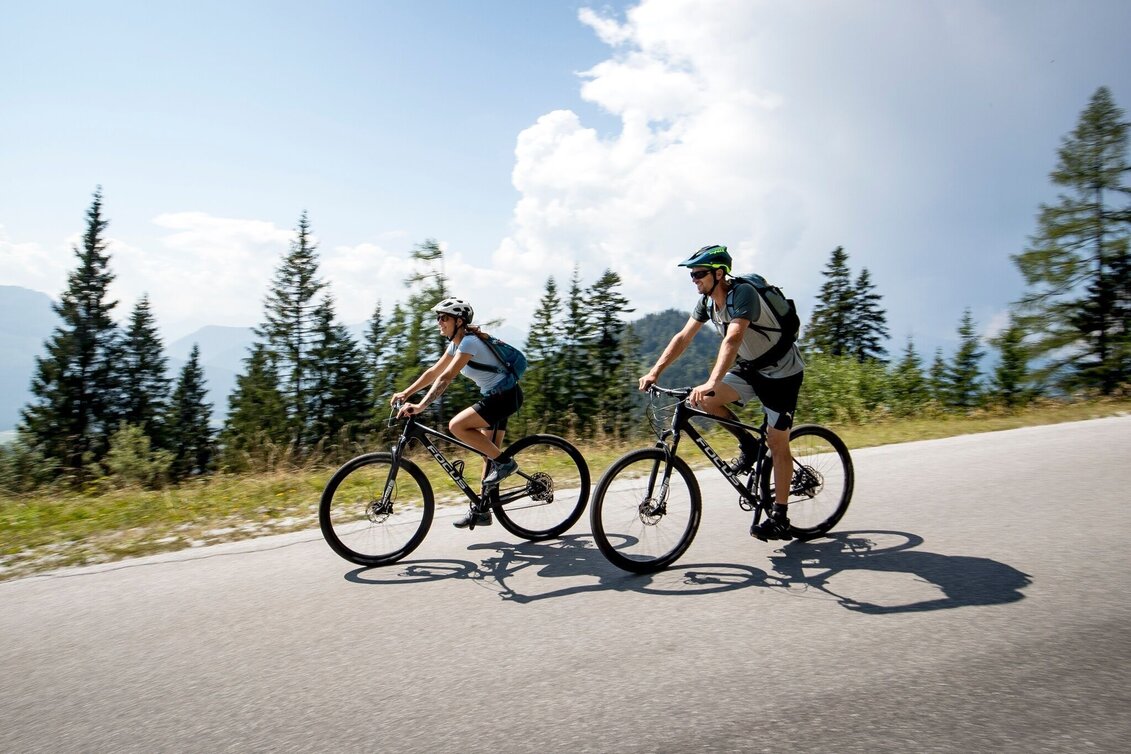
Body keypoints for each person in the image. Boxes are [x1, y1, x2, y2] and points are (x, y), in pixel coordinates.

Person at [639, 244, 804, 541]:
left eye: (699, 274)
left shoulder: (743, 294)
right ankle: (749, 446)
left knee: (778, 443)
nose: (694, 280)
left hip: (781, 373)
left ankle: (780, 515)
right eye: (692, 275)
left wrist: (713, 380)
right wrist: (655, 371)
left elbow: (734, 338)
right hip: (751, 369)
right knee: (703, 403)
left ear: (719, 273)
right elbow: (683, 337)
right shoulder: (707, 302)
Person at [391, 297, 524, 528]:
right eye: (438, 318)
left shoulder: (469, 344)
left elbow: (446, 377)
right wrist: (406, 392)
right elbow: (434, 371)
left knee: (457, 426)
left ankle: (506, 464)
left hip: (504, 397)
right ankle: (482, 511)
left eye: (444, 318)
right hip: (498, 397)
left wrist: (421, 405)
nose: (439, 322)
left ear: (459, 321)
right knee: (487, 454)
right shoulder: (456, 344)